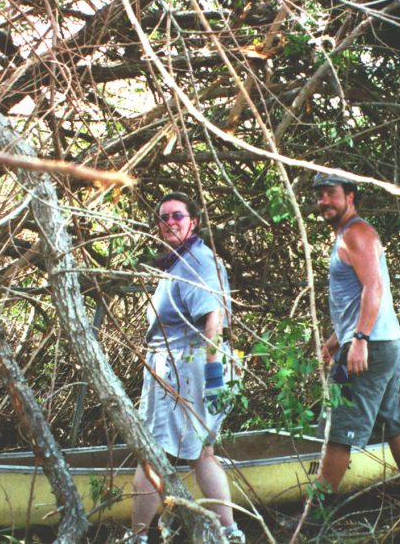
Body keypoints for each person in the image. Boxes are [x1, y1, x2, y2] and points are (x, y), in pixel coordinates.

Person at [130, 192, 245, 544]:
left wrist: (212, 377)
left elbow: (214, 318)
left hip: (188, 368)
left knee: (151, 452)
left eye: (177, 216)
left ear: (192, 221)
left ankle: (137, 537)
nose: (170, 222)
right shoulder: (177, 260)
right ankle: (229, 532)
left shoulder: (197, 259)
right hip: (182, 366)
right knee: (204, 453)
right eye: (163, 218)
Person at [312, 172, 400, 496]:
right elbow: (358, 295)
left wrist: (359, 340)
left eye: (331, 193)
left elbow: (374, 287)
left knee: (339, 428)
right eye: (320, 195)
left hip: (372, 345)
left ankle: (313, 516)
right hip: (381, 343)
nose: (324, 201)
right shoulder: (347, 234)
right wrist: (336, 339)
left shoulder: (356, 233)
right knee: (390, 421)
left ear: (350, 195)